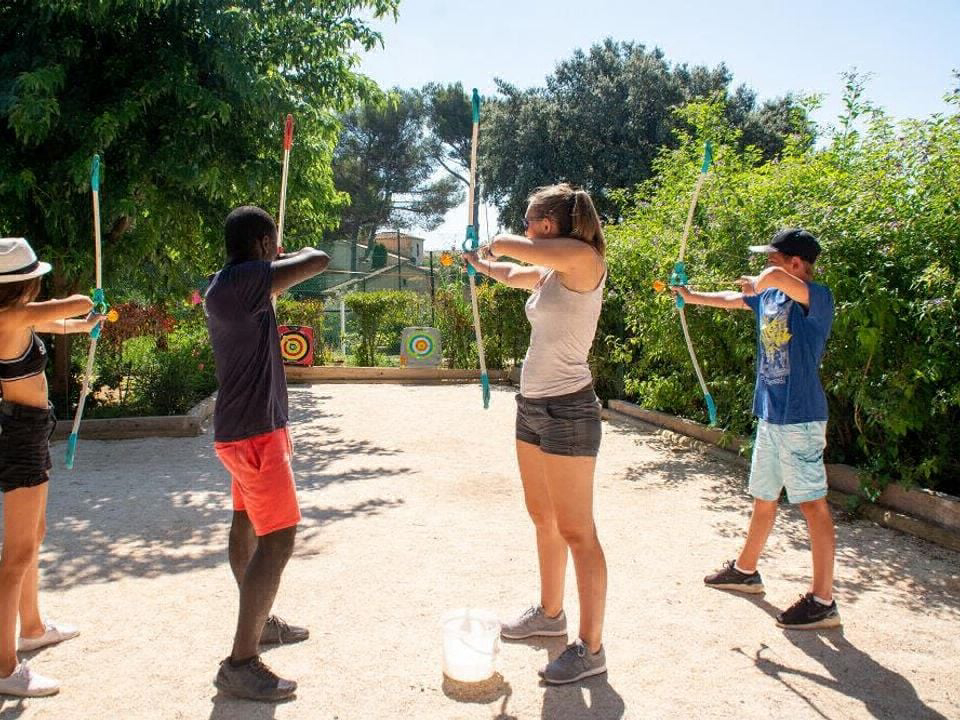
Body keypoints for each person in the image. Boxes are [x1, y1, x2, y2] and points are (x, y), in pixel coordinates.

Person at [464, 183, 609, 684]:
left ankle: (591, 648)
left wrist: (492, 241)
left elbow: (513, 248)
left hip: (569, 410)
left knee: (577, 530)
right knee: (542, 516)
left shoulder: (583, 258)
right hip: (532, 407)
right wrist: (480, 264)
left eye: (530, 220)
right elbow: (510, 269)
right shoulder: (551, 271)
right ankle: (551, 616)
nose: (526, 227)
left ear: (548, 224)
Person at [684, 228, 841, 629]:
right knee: (764, 497)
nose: (766, 266)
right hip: (772, 415)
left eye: (773, 259)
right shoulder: (770, 295)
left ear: (795, 264)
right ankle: (746, 570)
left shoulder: (817, 299)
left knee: (813, 505)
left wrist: (763, 279)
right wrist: (689, 295)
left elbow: (767, 281)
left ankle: (824, 601)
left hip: (802, 418)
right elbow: (736, 299)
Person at [204, 206, 329, 701]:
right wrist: (284, 254)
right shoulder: (245, 282)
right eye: (272, 242)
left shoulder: (228, 282)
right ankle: (241, 661)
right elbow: (318, 258)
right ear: (261, 243)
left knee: (246, 522)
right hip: (253, 434)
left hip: (245, 429)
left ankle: (261, 624)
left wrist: (272, 257)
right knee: (278, 540)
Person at [0, 237, 102, 697]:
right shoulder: (10, 317)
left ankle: (33, 626)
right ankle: (5, 668)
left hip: (29, 430)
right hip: (20, 436)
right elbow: (72, 302)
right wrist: (90, 301)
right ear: (22, 285)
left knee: (33, 537)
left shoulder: (17, 319)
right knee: (17, 553)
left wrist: (85, 326)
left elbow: (59, 322)